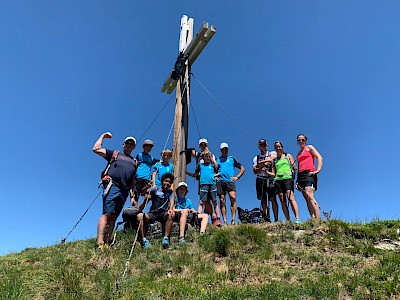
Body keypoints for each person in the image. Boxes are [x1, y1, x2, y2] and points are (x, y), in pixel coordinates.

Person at [92, 132, 137, 249]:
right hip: (113, 186)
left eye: (131, 144)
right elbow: (96, 149)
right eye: (127, 143)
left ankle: (107, 242)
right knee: (106, 214)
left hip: (124, 191)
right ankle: (100, 243)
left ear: (133, 147)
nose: (129, 145)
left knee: (114, 217)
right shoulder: (115, 154)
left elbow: (133, 181)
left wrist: (133, 196)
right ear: (123, 144)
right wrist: (102, 136)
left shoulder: (134, 162)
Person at [137, 173, 175, 249]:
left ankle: (166, 238)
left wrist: (171, 209)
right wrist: (147, 187)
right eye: (166, 181)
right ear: (162, 181)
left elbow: (172, 201)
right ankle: (144, 240)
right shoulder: (155, 189)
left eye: (169, 182)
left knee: (171, 214)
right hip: (153, 213)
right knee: (140, 216)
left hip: (162, 213)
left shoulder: (170, 192)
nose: (167, 183)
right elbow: (142, 192)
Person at [188, 150, 222, 226]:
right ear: (203, 157)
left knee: (214, 202)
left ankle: (218, 219)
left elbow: (219, 172)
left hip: (212, 184)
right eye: (206, 156)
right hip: (203, 184)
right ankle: (198, 218)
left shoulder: (213, 166)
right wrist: (186, 173)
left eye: (209, 156)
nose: (208, 157)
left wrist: (214, 176)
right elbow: (195, 175)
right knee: (202, 202)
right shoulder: (200, 166)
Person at [216, 142, 245, 225]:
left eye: (226, 148)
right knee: (222, 200)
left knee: (233, 197)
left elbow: (242, 168)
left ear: (228, 149)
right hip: (220, 181)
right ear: (220, 150)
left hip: (230, 181)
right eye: (223, 149)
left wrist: (237, 176)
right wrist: (216, 176)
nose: (224, 150)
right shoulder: (217, 159)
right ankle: (225, 220)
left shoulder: (232, 159)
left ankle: (233, 219)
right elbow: (213, 169)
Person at [296, 134, 323, 220]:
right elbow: (299, 166)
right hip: (301, 175)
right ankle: (313, 219)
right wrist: (297, 180)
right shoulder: (298, 154)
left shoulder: (309, 148)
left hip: (309, 173)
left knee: (310, 195)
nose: (301, 141)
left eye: (302, 140)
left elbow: (319, 157)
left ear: (305, 141)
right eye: (299, 140)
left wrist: (318, 169)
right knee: (306, 198)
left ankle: (318, 219)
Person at [272, 141, 300, 224]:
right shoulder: (274, 160)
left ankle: (297, 218)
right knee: (282, 200)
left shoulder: (288, 156)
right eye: (276, 147)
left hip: (288, 178)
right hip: (278, 180)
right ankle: (288, 220)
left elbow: (294, 167)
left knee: (290, 198)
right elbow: (273, 173)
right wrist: (266, 172)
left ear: (282, 147)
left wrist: (294, 167)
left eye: (279, 146)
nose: (278, 148)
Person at [252, 139, 278, 222]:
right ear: (259, 146)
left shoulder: (272, 153)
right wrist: (261, 167)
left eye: (264, 145)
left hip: (270, 178)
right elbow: (255, 171)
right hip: (260, 179)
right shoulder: (256, 158)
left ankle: (276, 219)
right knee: (263, 200)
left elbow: (272, 159)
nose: (263, 146)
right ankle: (266, 218)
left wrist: (261, 163)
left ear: (266, 145)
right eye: (261, 145)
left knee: (273, 199)